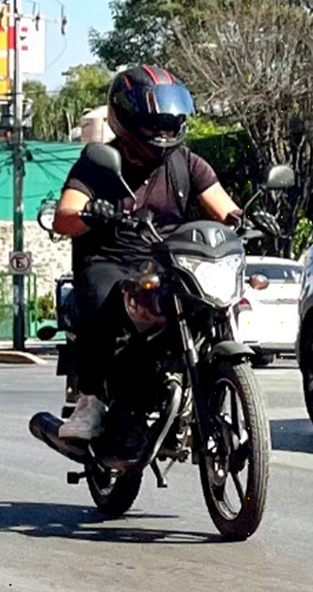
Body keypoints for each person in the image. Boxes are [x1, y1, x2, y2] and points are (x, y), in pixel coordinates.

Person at [52, 65, 256, 445]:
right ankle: (91, 400)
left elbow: (225, 209)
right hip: (110, 259)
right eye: (154, 121)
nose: (163, 129)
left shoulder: (185, 162)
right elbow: (65, 216)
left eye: (168, 120)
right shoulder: (98, 162)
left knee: (205, 305)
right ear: (127, 119)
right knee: (104, 300)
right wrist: (96, 214)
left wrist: (248, 218)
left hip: (169, 262)